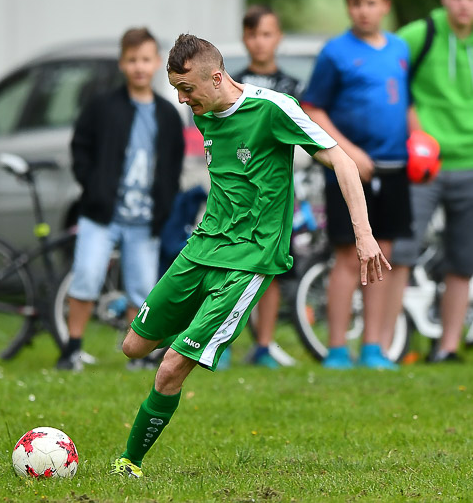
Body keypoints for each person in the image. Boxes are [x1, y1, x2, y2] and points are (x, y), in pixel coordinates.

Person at [110, 33, 390, 478]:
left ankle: (129, 463)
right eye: (176, 89)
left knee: (169, 368)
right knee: (132, 346)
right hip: (202, 247)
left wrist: (364, 234)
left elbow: (343, 161)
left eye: (187, 89)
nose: (182, 100)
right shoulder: (203, 111)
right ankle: (196, 329)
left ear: (217, 77)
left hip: (250, 260)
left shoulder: (273, 109)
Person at [56, 27, 185, 371]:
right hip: (102, 214)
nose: (139, 67)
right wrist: (93, 186)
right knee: (86, 276)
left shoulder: (167, 114)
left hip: (145, 219)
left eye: (145, 59)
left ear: (157, 63)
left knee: (142, 289)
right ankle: (72, 348)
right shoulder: (102, 106)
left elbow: (173, 166)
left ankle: (136, 356)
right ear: (121, 63)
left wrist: (165, 203)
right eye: (132, 60)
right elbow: (80, 147)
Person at [301, 0, 412, 369]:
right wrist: (349, 155)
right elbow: (312, 108)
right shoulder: (335, 52)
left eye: (372, 2)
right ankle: (336, 350)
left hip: (394, 168)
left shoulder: (399, 49)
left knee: (384, 256)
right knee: (349, 256)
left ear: (386, 5)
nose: (364, 10)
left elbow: (406, 103)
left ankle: (373, 348)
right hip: (349, 172)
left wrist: (420, 140)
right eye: (357, 3)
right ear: (349, 6)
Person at [384, 0, 473, 363]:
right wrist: (414, 128)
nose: (464, 5)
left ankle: (448, 347)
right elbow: (389, 76)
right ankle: (382, 347)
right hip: (423, 165)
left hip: (470, 163)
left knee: (463, 261)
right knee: (401, 254)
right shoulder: (421, 34)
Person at [231, 4, 306, 368]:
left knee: (269, 269)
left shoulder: (293, 87)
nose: (260, 42)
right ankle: (221, 343)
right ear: (244, 38)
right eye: (253, 34)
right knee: (229, 266)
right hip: (237, 192)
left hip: (275, 195)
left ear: (278, 38)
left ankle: (264, 345)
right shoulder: (231, 84)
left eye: (267, 34)